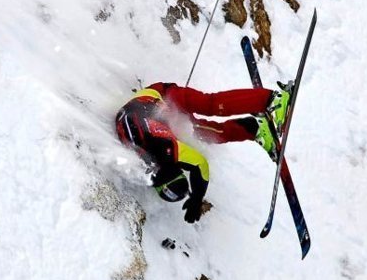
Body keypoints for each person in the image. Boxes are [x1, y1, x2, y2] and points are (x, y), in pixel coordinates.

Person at [115, 81, 290, 223]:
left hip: (164, 96)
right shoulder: (146, 159)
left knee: (211, 105)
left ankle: (271, 99)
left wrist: (197, 198)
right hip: (156, 113)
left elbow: (200, 164)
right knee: (203, 134)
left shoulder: (166, 150)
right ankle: (254, 128)